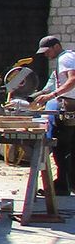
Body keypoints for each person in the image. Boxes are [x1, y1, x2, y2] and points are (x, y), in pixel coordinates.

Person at [29, 35, 75, 193]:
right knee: (69, 147)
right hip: (69, 106)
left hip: (68, 106)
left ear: (56, 46)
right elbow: (51, 85)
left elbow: (72, 80)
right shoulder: (66, 58)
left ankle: (62, 186)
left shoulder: (65, 58)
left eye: (47, 51)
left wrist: (51, 96)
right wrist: (35, 97)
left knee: (61, 147)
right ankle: (69, 184)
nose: (46, 55)